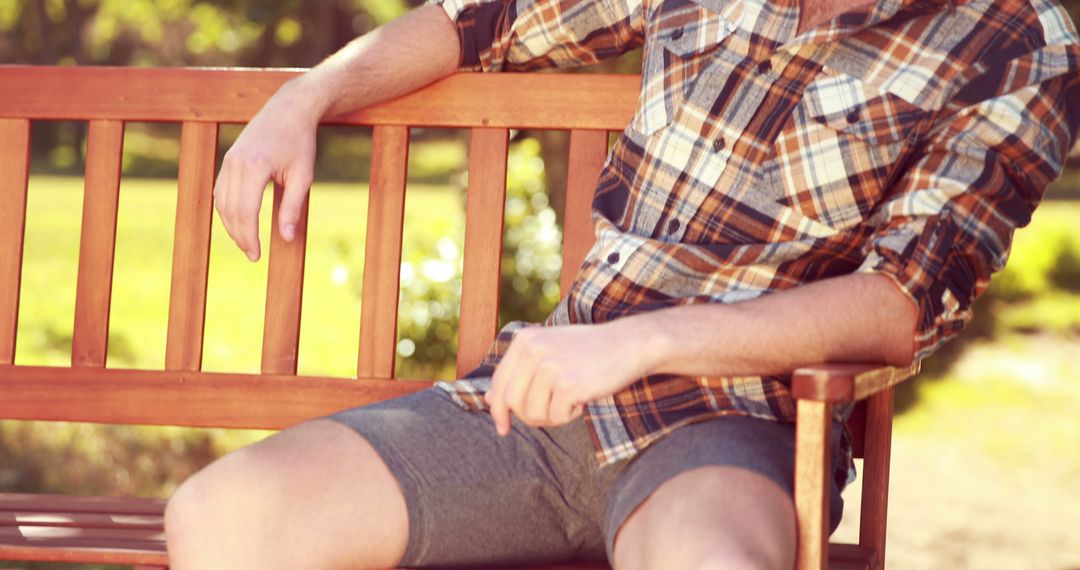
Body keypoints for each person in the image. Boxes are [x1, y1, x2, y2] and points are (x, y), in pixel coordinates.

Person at [164, 0, 1080, 567]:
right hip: (533, 407)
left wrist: (644, 341)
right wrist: (307, 93)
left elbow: (899, 304)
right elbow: (479, 17)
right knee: (225, 516)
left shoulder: (1016, 37)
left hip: (732, 425)